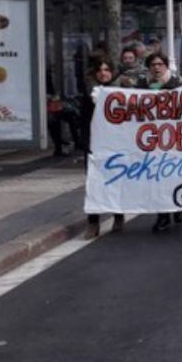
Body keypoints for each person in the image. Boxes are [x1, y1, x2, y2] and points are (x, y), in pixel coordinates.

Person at [137, 52, 182, 233]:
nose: (156, 68)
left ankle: (177, 206)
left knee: (173, 176)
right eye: (153, 65)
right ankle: (163, 215)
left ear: (166, 66)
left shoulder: (178, 85)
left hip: (175, 140)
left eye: (159, 64)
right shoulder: (142, 87)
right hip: (152, 141)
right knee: (158, 179)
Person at [82, 57, 125, 238]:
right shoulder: (89, 93)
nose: (103, 73)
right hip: (95, 145)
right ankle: (93, 222)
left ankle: (118, 215)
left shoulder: (123, 93)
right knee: (94, 183)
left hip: (116, 145)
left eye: (107, 69)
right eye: (100, 70)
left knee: (116, 181)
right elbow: (84, 122)